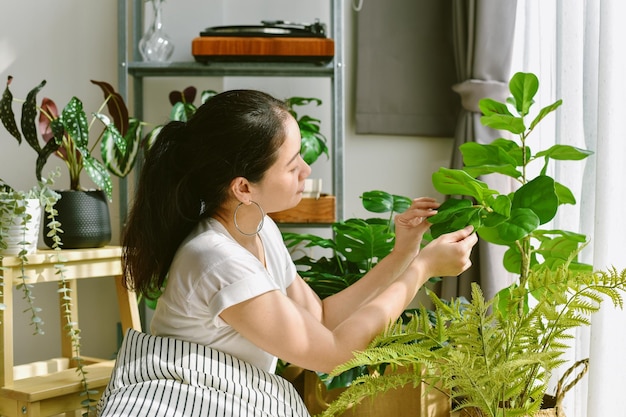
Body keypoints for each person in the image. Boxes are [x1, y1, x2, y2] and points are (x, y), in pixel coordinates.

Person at [97, 89, 477, 417]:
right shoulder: (216, 259)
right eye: (293, 164)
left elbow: (322, 318)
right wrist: (422, 270)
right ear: (244, 187)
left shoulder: (257, 226)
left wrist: (403, 255)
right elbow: (332, 353)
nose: (307, 170)